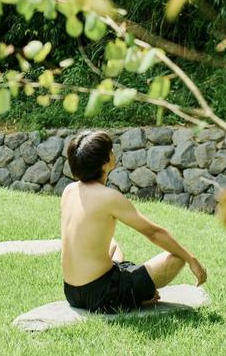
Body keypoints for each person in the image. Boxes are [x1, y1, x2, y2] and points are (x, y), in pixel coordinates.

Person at [60, 130, 207, 313]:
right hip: (101, 294)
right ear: (105, 163)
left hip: (72, 292)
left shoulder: (69, 190)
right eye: (111, 150)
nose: (114, 152)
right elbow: (154, 233)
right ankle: (132, 299)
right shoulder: (108, 197)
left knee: (114, 246)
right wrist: (191, 259)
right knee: (177, 258)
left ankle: (130, 292)